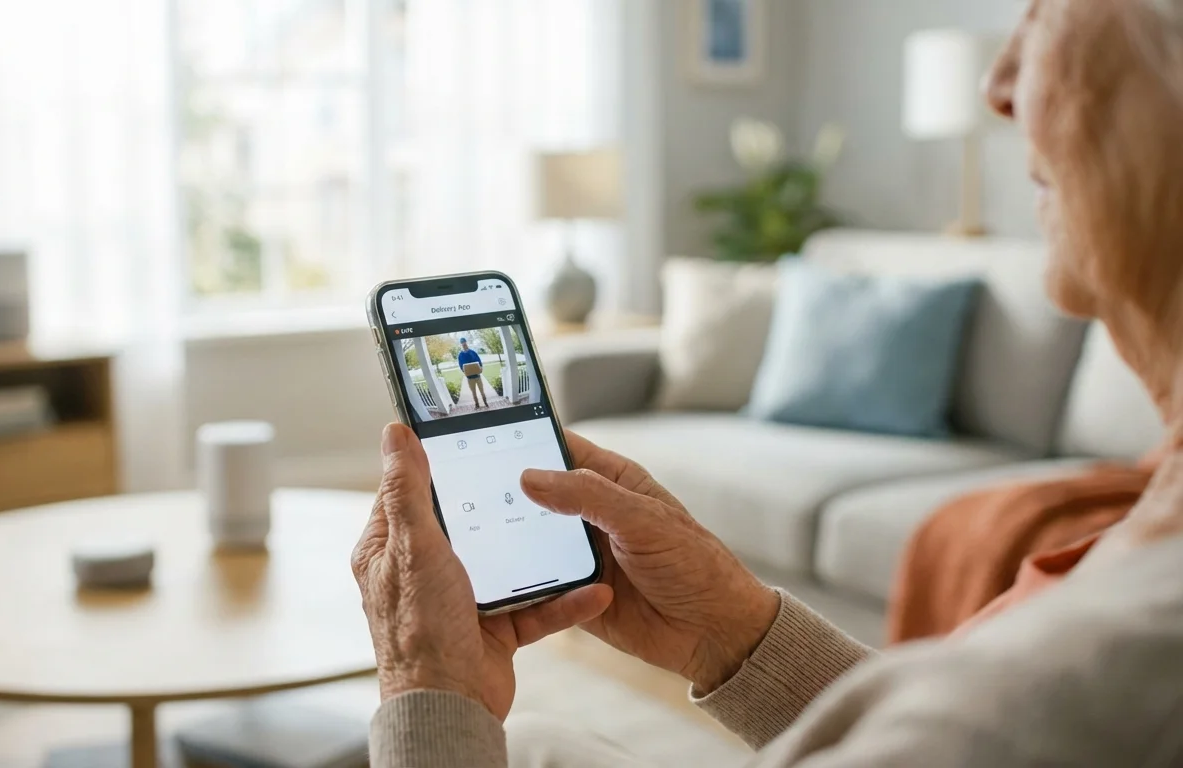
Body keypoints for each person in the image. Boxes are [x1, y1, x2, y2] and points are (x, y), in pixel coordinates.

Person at [351, 0, 1183, 764]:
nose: (997, 84)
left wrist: (429, 695)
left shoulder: (1123, 661)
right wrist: (734, 632)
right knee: (531, 740)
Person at [457, 337, 488, 409]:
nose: (463, 344)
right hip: (469, 378)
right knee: (473, 392)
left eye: (464, 342)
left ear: (466, 342)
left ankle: (485, 403)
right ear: (461, 344)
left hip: (477, 376)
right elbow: (461, 365)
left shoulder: (473, 352)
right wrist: (464, 371)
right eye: (462, 343)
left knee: (482, 391)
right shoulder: (460, 355)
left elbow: (479, 362)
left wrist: (481, 368)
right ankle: (477, 405)